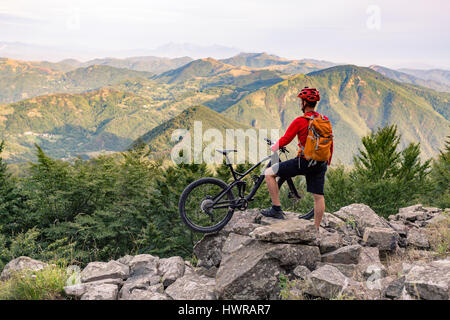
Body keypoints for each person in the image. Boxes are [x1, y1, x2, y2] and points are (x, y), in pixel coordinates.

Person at [261, 87, 333, 231]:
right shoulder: (324, 120)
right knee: (318, 196)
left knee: (269, 173)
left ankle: (276, 209)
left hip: (304, 162)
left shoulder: (300, 121)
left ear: (305, 102)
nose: (301, 103)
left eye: (301, 101)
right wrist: (327, 161)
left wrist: (274, 147)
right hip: (320, 163)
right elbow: (330, 142)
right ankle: (316, 229)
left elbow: (286, 139)